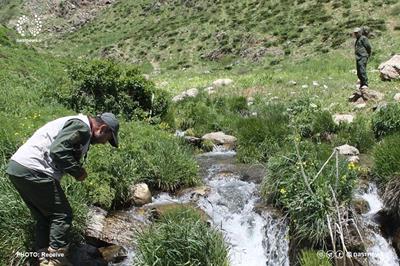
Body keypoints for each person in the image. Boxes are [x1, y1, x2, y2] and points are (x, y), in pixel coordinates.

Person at [6, 113, 119, 266]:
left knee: (44, 218)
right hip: (34, 169)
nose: (106, 143)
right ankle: (54, 260)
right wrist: (78, 171)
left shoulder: (77, 124)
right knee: (62, 214)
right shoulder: (82, 128)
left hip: (17, 168)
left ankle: (41, 258)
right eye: (108, 138)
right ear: (103, 128)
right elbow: (58, 150)